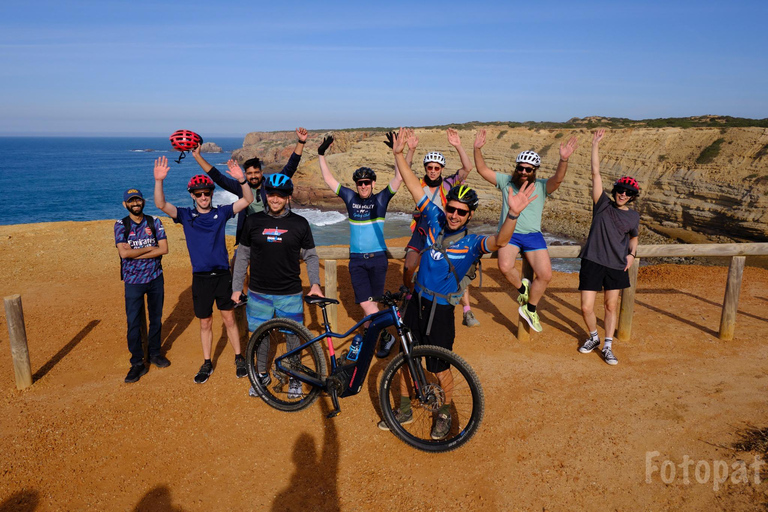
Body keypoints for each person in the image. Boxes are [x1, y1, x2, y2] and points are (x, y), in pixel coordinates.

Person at [383, 127, 537, 439]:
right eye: (451, 208)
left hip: (441, 312)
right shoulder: (434, 219)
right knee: (405, 359)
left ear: (468, 216)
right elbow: (414, 186)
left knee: (440, 368)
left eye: (460, 212)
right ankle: (404, 409)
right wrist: (398, 155)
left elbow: (500, 240)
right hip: (416, 302)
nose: (453, 215)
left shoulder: (472, 242)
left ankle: (444, 412)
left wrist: (513, 216)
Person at [153, 155, 254, 383]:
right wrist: (159, 181)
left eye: (206, 193)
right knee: (205, 322)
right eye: (198, 194)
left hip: (221, 276)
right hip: (200, 278)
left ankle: (238, 357)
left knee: (229, 319)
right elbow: (160, 204)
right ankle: (207, 362)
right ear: (192, 196)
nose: (203, 197)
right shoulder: (186, 216)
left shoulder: (222, 213)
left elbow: (247, 200)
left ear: (211, 194)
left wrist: (241, 180)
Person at [474, 129, 578, 333]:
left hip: (533, 236)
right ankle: (523, 290)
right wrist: (477, 148)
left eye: (528, 170)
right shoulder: (506, 182)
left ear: (535, 171)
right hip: (508, 234)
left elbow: (557, 179)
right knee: (504, 266)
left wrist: (563, 160)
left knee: (545, 275)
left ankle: (530, 308)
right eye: (520, 168)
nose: (523, 172)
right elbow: (481, 169)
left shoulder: (541, 186)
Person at [232, 173, 323, 399]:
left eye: (280, 195)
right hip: (258, 292)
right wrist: (236, 288)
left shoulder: (300, 224)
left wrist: (315, 284)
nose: (275, 199)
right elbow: (242, 255)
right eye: (271, 194)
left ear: (288, 197)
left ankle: (294, 376)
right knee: (259, 337)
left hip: (290, 292)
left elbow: (311, 256)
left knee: (293, 336)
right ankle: (262, 374)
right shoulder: (253, 221)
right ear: (265, 195)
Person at [192, 128, 309, 295]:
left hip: (272, 233)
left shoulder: (272, 186)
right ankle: (245, 297)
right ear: (245, 175)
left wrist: (301, 142)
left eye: (256, 172)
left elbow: (291, 166)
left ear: (262, 172)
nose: (253, 176)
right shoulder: (241, 188)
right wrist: (197, 156)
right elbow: (217, 176)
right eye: (249, 173)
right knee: (237, 264)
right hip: (249, 236)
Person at [317, 134, 403, 358]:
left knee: (372, 306)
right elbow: (328, 179)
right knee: (368, 305)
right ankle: (388, 333)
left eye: (367, 182)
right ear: (356, 185)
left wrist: (397, 153)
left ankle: (371, 338)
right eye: (360, 183)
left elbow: (399, 177)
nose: (363, 186)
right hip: (356, 261)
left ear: (373, 184)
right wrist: (320, 154)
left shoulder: (381, 199)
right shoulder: (350, 198)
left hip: (378, 259)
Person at [399, 129, 480, 328]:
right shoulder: (419, 183)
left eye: (436, 167)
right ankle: (411, 293)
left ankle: (467, 309)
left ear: (441, 168)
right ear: (426, 168)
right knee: (410, 266)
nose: (433, 170)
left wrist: (458, 145)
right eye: (430, 167)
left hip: (445, 227)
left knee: (456, 266)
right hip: (422, 229)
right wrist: (410, 149)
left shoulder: (449, 183)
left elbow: (468, 167)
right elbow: (404, 170)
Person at [577, 130, 640, 365]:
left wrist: (632, 254)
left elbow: (634, 238)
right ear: (614, 191)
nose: (623, 194)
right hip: (592, 260)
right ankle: (593, 337)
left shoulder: (634, 217)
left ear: (632, 197)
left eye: (628, 192)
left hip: (616, 264)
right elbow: (595, 173)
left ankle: (608, 346)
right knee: (586, 307)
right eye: (620, 190)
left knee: (611, 305)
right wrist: (595, 145)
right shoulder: (602, 204)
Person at [114, 188, 169, 383]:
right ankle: (137, 362)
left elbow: (165, 249)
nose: (135, 203)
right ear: (125, 204)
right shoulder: (121, 225)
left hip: (155, 278)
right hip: (133, 281)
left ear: (143, 201)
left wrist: (136, 251)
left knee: (156, 318)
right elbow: (124, 254)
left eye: (138, 200)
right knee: (134, 322)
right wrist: (150, 248)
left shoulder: (154, 222)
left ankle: (154, 353)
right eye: (131, 201)